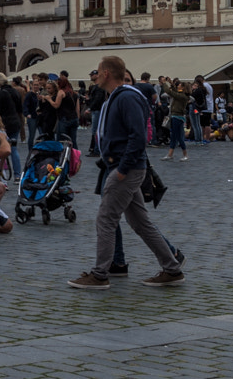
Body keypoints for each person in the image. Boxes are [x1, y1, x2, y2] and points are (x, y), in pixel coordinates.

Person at [69, 55, 184, 289]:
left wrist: (122, 169)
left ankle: (100, 274)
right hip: (123, 166)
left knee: (105, 219)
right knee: (140, 222)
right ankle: (172, 269)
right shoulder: (118, 97)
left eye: (98, 72)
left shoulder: (127, 97)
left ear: (107, 73)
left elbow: (138, 136)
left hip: (125, 168)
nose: (95, 76)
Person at [163, 81, 191, 162]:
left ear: (182, 87)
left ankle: (185, 154)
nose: (177, 85)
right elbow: (175, 91)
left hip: (177, 118)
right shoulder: (182, 95)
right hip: (176, 117)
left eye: (179, 85)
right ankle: (170, 154)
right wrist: (171, 83)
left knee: (178, 136)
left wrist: (164, 83)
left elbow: (170, 92)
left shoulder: (182, 96)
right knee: (174, 136)